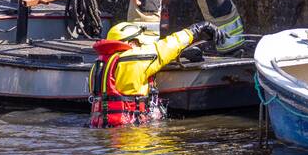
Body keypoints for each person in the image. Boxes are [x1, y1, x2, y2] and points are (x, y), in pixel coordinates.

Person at [89, 20, 224, 127]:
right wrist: (197, 28)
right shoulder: (135, 58)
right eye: (140, 43)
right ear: (131, 43)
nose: (143, 47)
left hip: (103, 125)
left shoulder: (99, 64)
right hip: (131, 130)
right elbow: (168, 45)